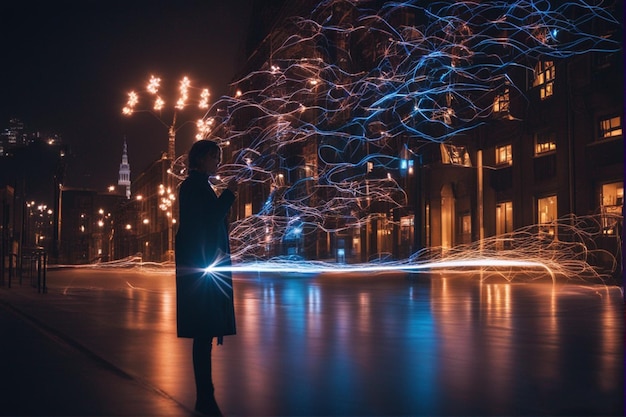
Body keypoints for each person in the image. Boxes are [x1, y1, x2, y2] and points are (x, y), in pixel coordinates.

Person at [175, 139, 238, 416]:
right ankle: (205, 397)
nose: (218, 162)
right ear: (200, 159)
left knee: (205, 336)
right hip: (202, 272)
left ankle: (206, 396)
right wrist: (229, 194)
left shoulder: (198, 186)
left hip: (205, 270)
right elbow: (209, 219)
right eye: (215, 156)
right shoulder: (193, 187)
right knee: (203, 335)